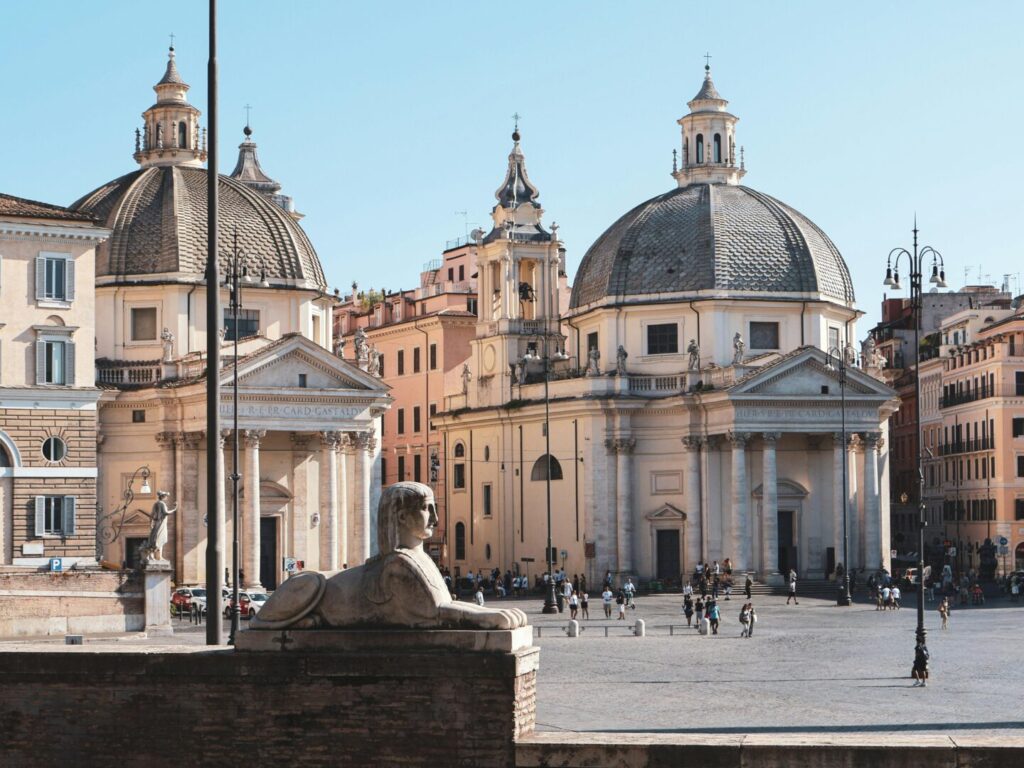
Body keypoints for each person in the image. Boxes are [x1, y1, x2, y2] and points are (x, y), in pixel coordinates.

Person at [251, 482, 527, 631]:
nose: (435, 518)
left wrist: (488, 612)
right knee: (310, 582)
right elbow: (436, 612)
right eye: (426, 509)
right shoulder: (397, 565)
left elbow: (443, 603)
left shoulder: (418, 558)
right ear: (402, 517)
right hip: (317, 591)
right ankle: (275, 622)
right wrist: (490, 618)